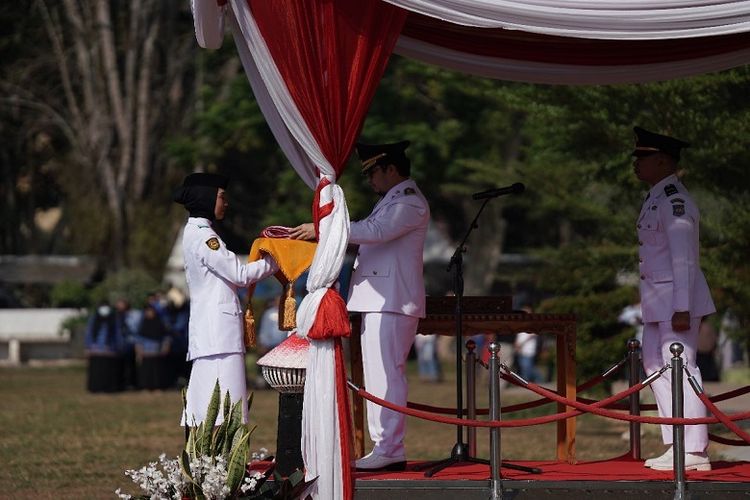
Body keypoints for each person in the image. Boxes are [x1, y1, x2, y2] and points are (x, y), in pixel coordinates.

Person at [291, 140, 430, 471]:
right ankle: (385, 445)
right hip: (382, 299)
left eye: (374, 173)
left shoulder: (409, 203)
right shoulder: (392, 200)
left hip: (393, 300)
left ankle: (390, 447)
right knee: (379, 375)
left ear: (391, 169)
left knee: (387, 375)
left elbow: (376, 231)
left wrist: (325, 230)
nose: (370, 181)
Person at [631, 126, 715, 471]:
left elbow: (684, 259)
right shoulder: (655, 197)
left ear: (664, 160)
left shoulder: (675, 201)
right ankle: (675, 443)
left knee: (681, 369)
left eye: (643, 158)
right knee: (656, 369)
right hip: (659, 303)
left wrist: (683, 306)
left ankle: (694, 449)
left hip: (677, 304)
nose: (636, 164)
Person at [173, 172, 278, 426]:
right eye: (221, 196)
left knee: (207, 404)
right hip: (219, 334)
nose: (226, 202)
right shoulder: (205, 237)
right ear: (206, 198)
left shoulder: (196, 232)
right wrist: (276, 261)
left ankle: (210, 461)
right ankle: (222, 463)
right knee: (227, 408)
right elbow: (239, 274)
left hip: (212, 331)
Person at [84, 301, 127, 393]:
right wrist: (88, 347)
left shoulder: (114, 319)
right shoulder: (94, 319)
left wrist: (119, 346)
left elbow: (118, 334)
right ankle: (96, 388)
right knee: (97, 371)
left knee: (108, 371)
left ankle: (109, 388)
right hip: (95, 350)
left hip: (110, 350)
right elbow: (89, 333)